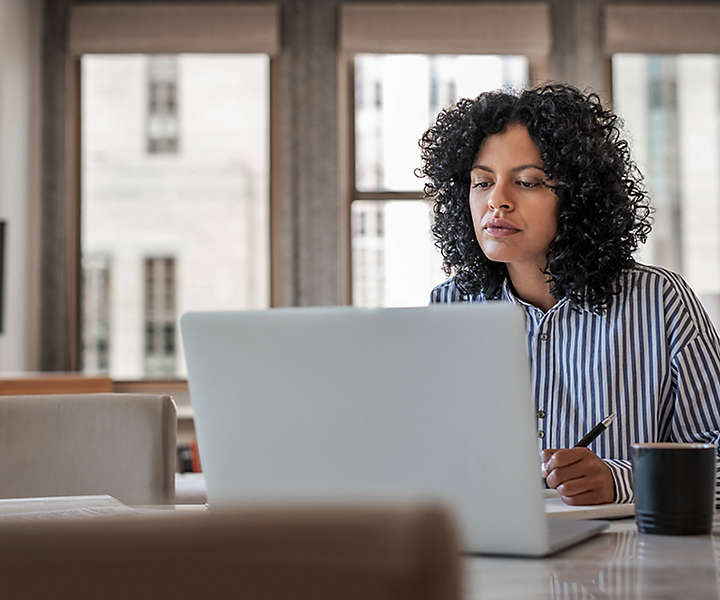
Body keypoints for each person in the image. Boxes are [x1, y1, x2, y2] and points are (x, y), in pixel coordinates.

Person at [421, 83, 720, 506]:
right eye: (481, 182)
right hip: (492, 557)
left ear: (580, 197)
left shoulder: (661, 302)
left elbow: (716, 455)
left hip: (628, 563)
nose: (497, 202)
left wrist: (623, 481)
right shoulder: (448, 307)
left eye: (527, 182)